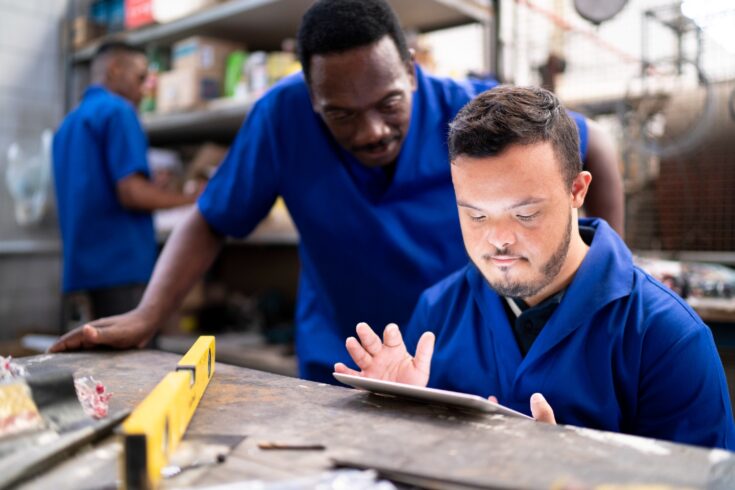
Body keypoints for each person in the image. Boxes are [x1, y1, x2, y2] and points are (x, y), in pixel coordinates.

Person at [50, 0, 624, 384]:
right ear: (310, 94)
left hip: (459, 360)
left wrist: (600, 281)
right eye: (341, 115)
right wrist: (151, 314)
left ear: (411, 67)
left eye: (390, 104)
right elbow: (211, 218)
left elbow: (594, 145)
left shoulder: (466, 112)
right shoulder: (282, 118)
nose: (371, 130)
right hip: (340, 361)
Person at [334, 85, 735, 449]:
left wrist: (577, 475)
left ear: (577, 190)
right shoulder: (438, 311)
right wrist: (396, 421)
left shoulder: (667, 337)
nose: (499, 240)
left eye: (525, 214)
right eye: (476, 217)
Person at [52, 42, 197, 319]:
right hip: (122, 270)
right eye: (141, 77)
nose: (145, 88)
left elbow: (95, 189)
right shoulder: (119, 111)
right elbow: (132, 194)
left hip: (82, 271)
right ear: (115, 69)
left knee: (93, 360)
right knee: (133, 360)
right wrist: (194, 199)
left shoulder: (68, 124)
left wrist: (152, 186)